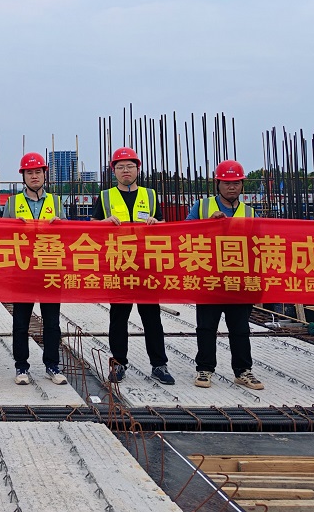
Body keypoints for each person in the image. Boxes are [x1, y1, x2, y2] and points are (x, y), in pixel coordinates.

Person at [93, 146, 173, 385]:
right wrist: (104, 223)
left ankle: (159, 365)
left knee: (152, 317)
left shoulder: (150, 195)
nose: (125, 170)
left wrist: (156, 223)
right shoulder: (105, 196)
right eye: (120, 167)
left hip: (146, 265)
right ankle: (118, 363)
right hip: (118, 264)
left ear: (138, 169)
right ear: (113, 171)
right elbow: (92, 226)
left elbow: (165, 225)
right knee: (118, 317)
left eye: (130, 166)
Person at [186, 160, 263, 390]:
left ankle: (243, 370)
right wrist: (207, 224)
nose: (232, 187)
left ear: (242, 185)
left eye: (236, 183)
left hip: (238, 278)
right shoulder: (202, 207)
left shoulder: (250, 212)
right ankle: (205, 368)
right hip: (209, 276)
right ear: (218, 183)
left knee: (240, 328)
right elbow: (184, 234)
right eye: (227, 183)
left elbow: (260, 244)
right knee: (206, 327)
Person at [2, 152, 67, 386]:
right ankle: (21, 366)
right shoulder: (12, 203)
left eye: (38, 171)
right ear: (23, 176)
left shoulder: (56, 203)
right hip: (23, 270)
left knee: (52, 323)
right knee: (21, 322)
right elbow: (1, 235)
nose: (34, 176)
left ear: (44, 174)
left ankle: (52, 365)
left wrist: (60, 225)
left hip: (50, 268)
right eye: (29, 172)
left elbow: (69, 235)